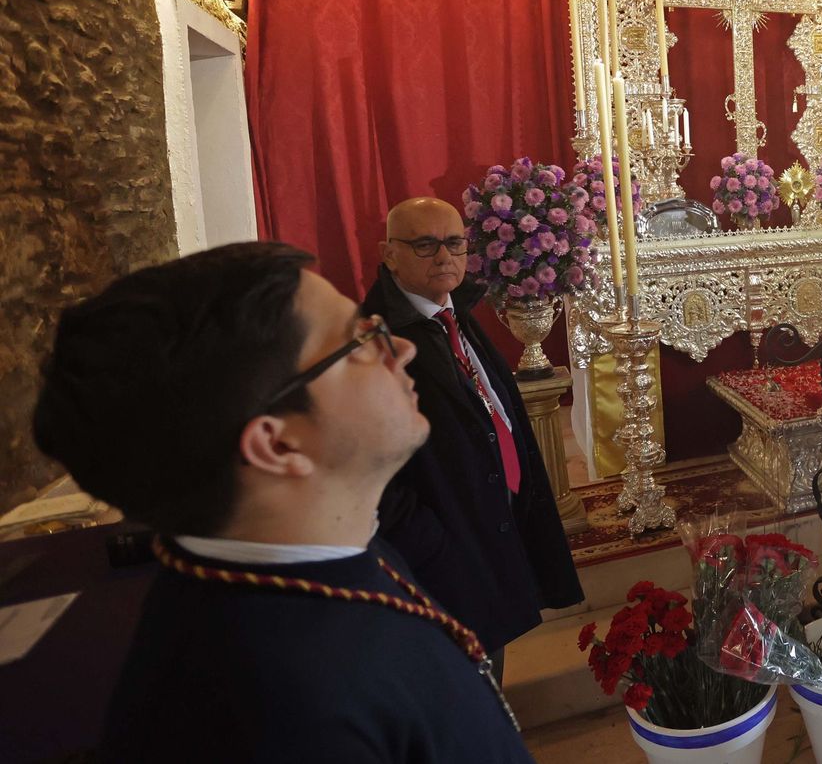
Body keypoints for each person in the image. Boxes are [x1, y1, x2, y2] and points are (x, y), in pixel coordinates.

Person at [31, 242, 534, 761]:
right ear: (279, 444)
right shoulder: (285, 718)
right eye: (359, 342)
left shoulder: (326, 550)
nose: (401, 349)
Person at [362, 197, 582, 674]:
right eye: (424, 245)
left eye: (454, 242)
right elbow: (369, 472)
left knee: (489, 659)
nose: (444, 256)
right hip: (444, 551)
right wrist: (431, 543)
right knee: (463, 673)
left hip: (488, 524)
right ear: (388, 253)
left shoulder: (452, 311)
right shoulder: (375, 341)